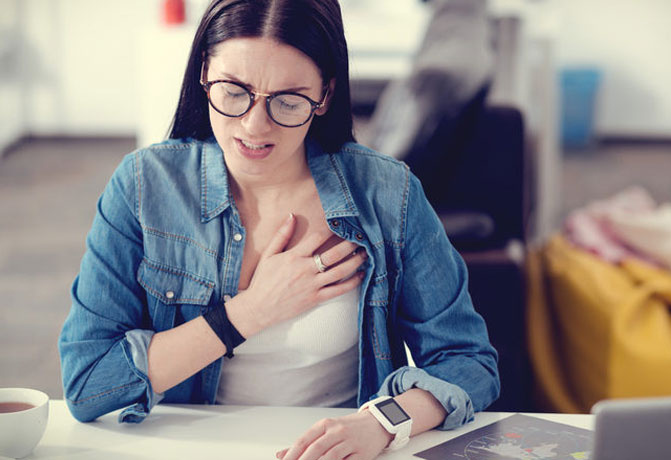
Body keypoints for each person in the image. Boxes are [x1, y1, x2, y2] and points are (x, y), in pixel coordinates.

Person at [58, 0, 499, 458]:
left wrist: (383, 424)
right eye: (233, 91)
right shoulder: (144, 186)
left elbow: (468, 362)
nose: (253, 125)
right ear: (203, 73)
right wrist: (249, 313)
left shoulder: (388, 193)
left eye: (288, 101)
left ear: (325, 95)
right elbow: (89, 381)